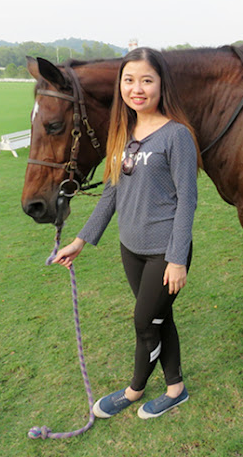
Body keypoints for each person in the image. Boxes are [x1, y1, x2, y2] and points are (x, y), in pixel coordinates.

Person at [53, 47, 200, 420]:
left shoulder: (177, 135)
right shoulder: (123, 131)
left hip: (164, 252)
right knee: (158, 319)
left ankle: (134, 389)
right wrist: (80, 240)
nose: (138, 89)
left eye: (147, 80)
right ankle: (176, 388)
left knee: (143, 322)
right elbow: (112, 193)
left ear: (161, 85)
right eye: (129, 80)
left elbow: (187, 201)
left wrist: (178, 259)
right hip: (130, 247)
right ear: (121, 84)